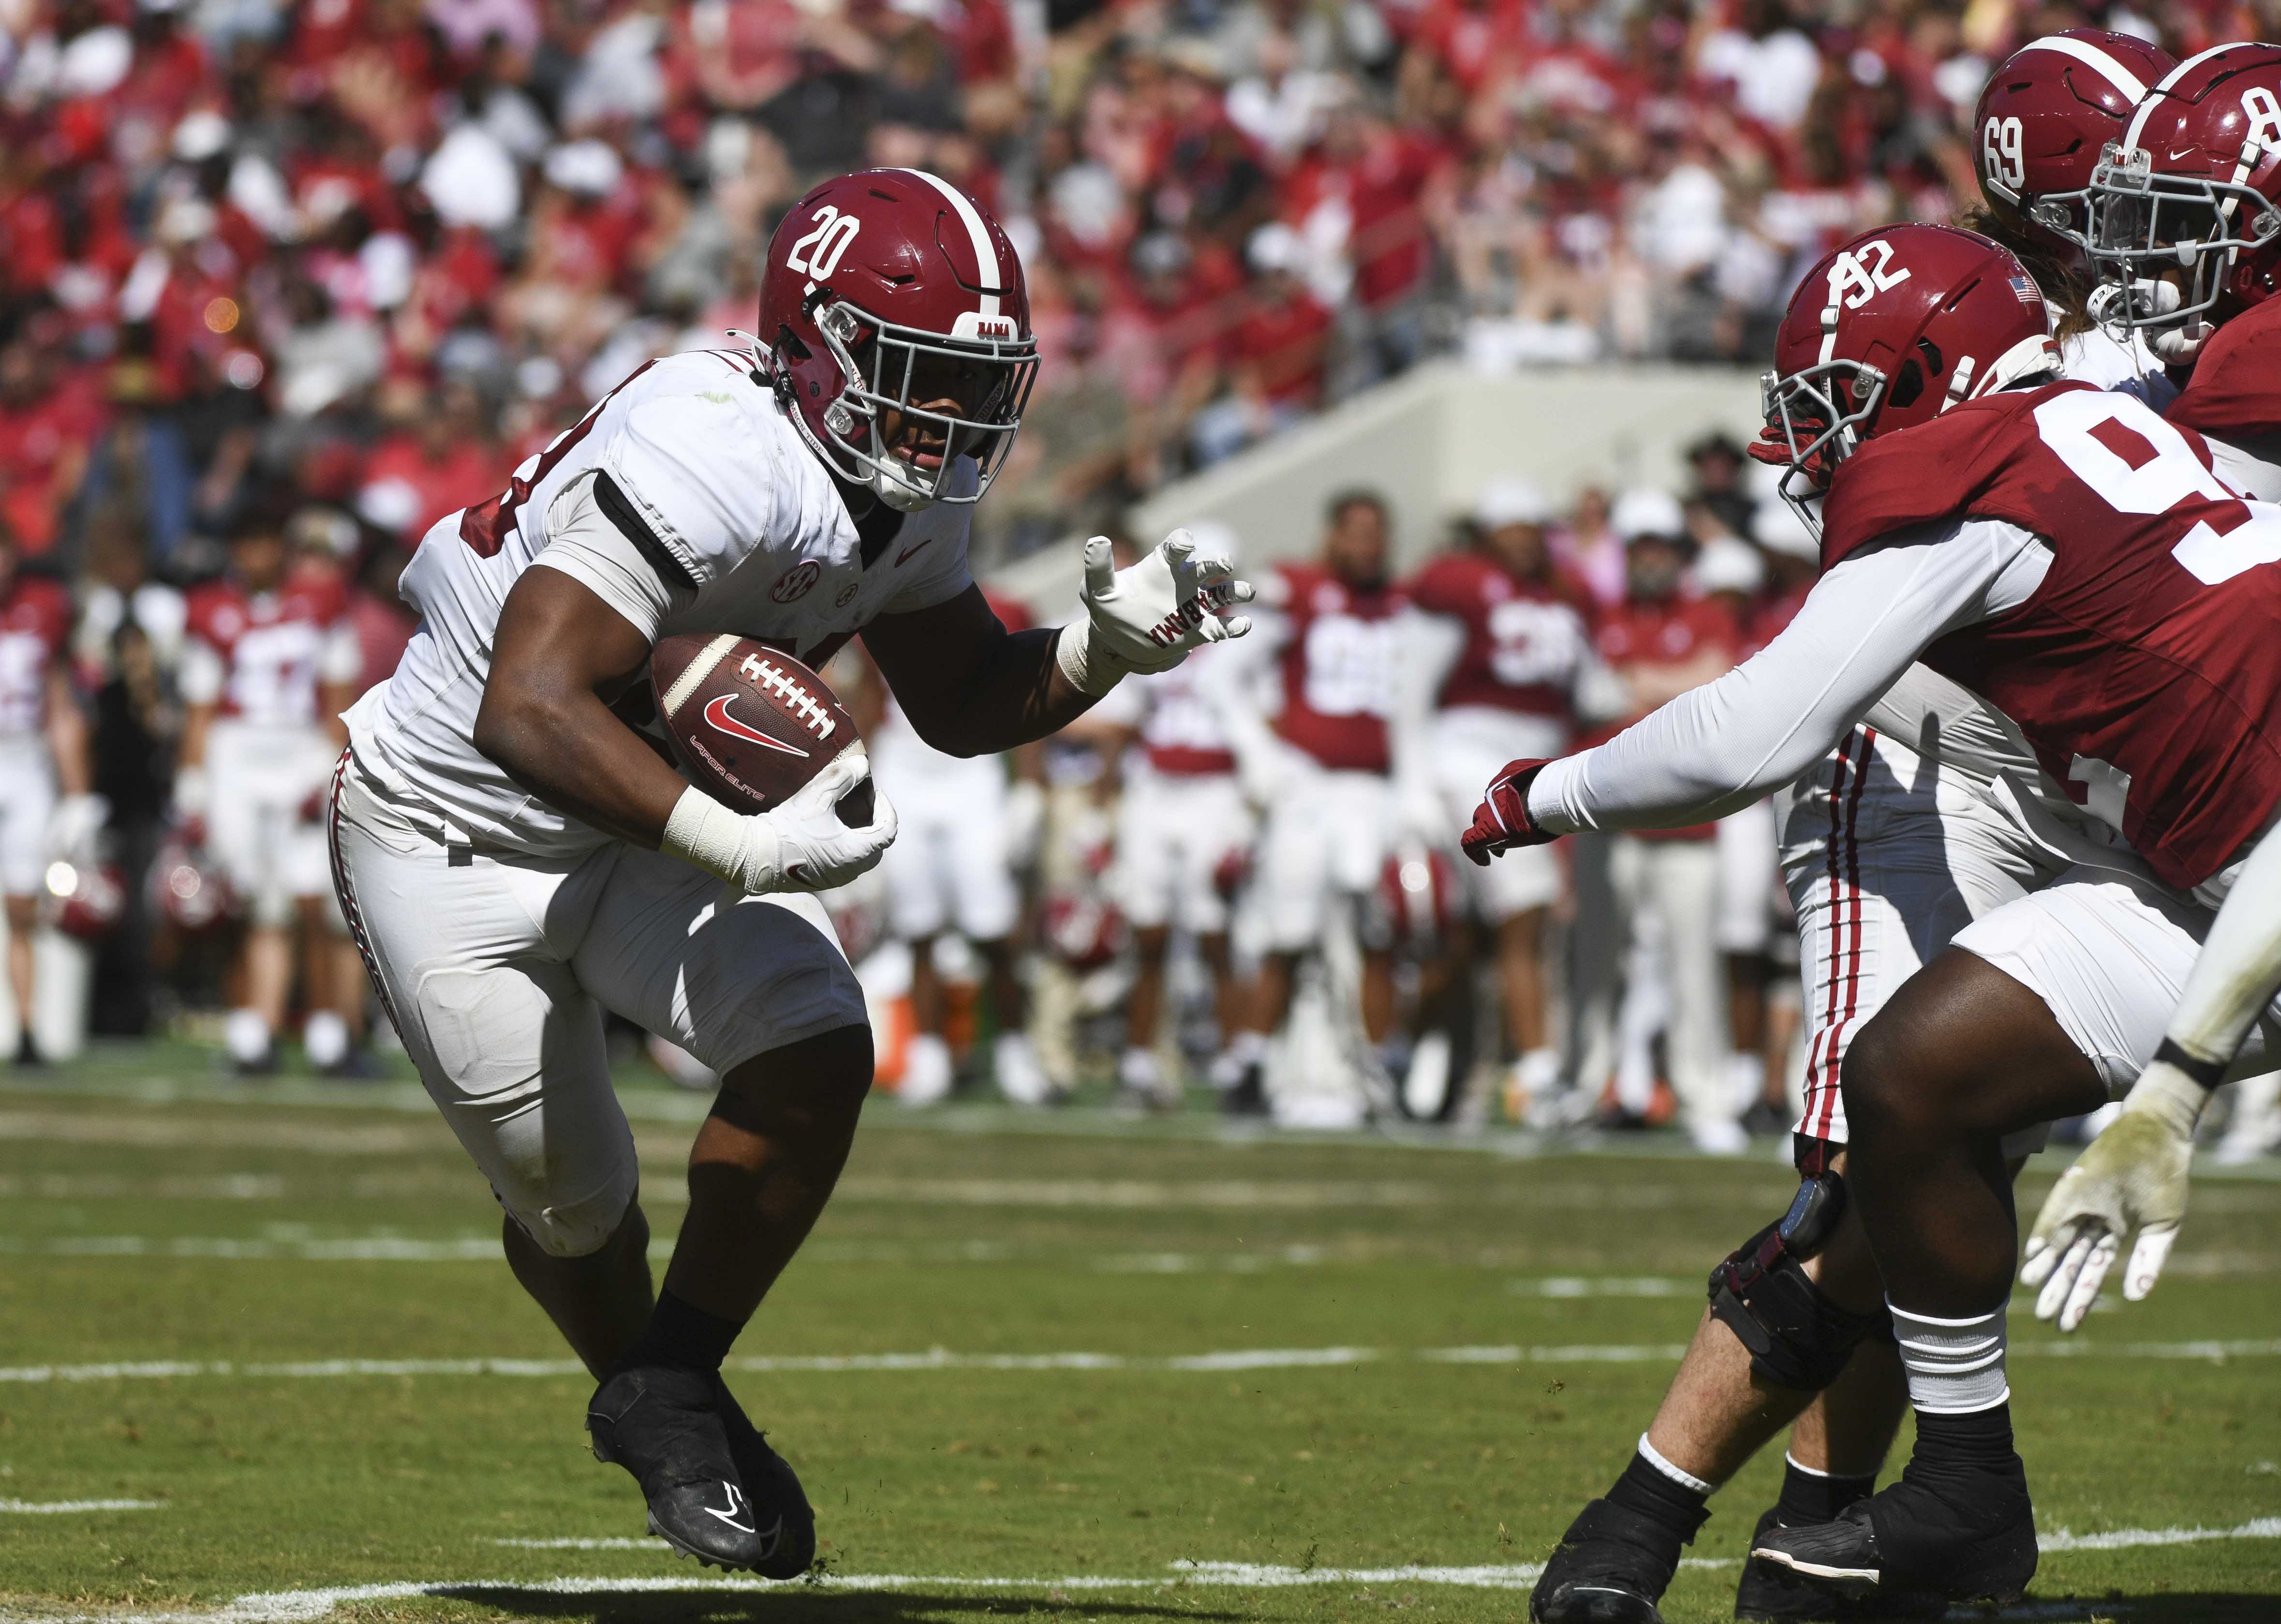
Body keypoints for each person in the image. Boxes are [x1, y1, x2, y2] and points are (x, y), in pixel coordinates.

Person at [327, 169, 1248, 1574]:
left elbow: (958, 694)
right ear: (812, 345)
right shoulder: (715, 443)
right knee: (575, 1210)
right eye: (919, 372)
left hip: (631, 818)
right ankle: (656, 1383)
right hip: (455, 825)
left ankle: (672, 1385)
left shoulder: (894, 487)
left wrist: (1094, 654)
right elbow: (528, 705)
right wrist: (741, 841)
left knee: (819, 1046)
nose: (950, 417)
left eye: (973, 383)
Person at [1467, 221, 2281, 1609]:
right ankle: (1963, 1487)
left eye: (1837, 403)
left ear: (1914, 382)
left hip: (2247, 864)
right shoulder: (2096, 417)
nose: (1814, 450)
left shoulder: (1970, 465)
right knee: (1913, 1071)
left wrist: (1541, 790)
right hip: (2215, 868)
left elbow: (1748, 734)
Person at [2016, 39, 2281, 1333]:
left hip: (2238, 810)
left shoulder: (2246, 365)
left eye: (2193, 228)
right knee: (1935, 1065)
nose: (2149, 264)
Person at [1394, 478, 1606, 1126]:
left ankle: (1424, 1054)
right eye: (1508, 527)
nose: (1521, 539)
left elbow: (1595, 690)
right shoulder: (1461, 585)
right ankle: (1536, 1072)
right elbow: (1410, 688)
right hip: (1469, 759)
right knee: (1524, 906)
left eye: (1531, 526)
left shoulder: (1564, 594)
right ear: (1486, 535)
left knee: (1474, 935)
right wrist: (1414, 781)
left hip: (1541, 766)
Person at [1208, 488, 1405, 1125]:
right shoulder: (1297, 587)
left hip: (1376, 787)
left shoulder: (1403, 605)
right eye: (1355, 530)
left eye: (1377, 531)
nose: (1367, 544)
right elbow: (1222, 676)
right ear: (1332, 535)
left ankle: (1375, 1069)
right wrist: (1261, 756)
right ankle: (1251, 1059)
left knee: (1381, 929)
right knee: (1288, 929)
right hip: (1309, 784)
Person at [178, 494, 364, 1074]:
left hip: (299, 750)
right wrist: (192, 781)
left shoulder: (321, 603)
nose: (257, 556)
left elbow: (338, 694)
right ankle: (251, 1031)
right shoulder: (211, 611)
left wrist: (331, 762)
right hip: (237, 756)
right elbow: (201, 706)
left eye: (266, 544)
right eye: (248, 545)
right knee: (247, 903)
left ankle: (329, 1035)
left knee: (316, 902)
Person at [1591, 488, 1744, 1152]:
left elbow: (1715, 680)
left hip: (1688, 821)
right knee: (1601, 964)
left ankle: (1703, 1094)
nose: (1650, 558)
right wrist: (1668, 681)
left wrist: (1644, 681)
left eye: (1661, 546)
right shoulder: (1605, 616)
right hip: (1615, 820)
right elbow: (1593, 690)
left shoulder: (1706, 612)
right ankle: (1601, 1087)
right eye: (1640, 547)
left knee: (1692, 967)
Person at [1091, 523, 1256, 1113]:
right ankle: (1139, 1065)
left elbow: (1268, 723)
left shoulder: (1249, 638)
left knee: (1217, 933)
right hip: (1156, 788)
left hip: (1218, 790)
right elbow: (1125, 714)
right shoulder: (1155, 624)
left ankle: (1242, 1062)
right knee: (1149, 931)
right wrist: (1103, 793)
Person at [866, 587, 1051, 1107]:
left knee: (994, 926)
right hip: (903, 767)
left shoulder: (1007, 606)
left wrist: (1031, 784)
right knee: (917, 925)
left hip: (973, 770)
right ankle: (929, 1056)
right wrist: (849, 783)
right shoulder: (877, 598)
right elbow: (869, 702)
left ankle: (1015, 1052)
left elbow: (1029, 690)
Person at [0, 530, 99, 1062]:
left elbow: (62, 710)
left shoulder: (44, 609)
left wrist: (78, 795)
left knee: (23, 904)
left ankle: (28, 1030)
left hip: (22, 763)